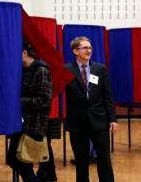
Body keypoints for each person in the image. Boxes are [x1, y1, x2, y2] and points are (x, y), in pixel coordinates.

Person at [64, 36, 118, 182]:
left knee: (104, 161)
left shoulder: (100, 69)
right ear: (75, 51)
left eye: (90, 48)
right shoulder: (66, 70)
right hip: (77, 123)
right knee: (81, 163)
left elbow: (108, 96)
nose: (89, 50)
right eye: (85, 47)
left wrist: (112, 119)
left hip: (99, 121)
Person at [7, 41, 53, 182]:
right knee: (15, 160)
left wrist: (18, 102)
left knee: (22, 162)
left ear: (24, 53)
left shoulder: (41, 70)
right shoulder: (24, 71)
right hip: (22, 125)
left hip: (34, 126)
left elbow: (44, 101)